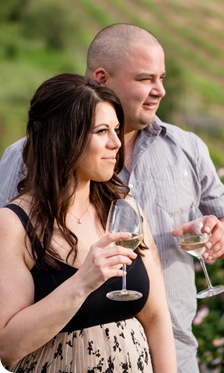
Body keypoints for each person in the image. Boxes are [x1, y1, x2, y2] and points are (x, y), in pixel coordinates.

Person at [0, 24, 224, 373]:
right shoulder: (21, 160)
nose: (159, 90)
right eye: (147, 79)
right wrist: (83, 280)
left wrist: (220, 234)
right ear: (102, 78)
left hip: (172, 356)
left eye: (162, 78)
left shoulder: (184, 151)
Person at [0, 73, 177, 373]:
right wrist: (83, 282)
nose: (115, 143)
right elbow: (7, 347)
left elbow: (157, 318)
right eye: (102, 131)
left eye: (117, 130)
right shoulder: (13, 225)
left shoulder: (125, 208)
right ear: (62, 137)